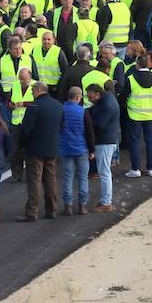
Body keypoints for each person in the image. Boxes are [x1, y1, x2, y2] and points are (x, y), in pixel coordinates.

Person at [16, 81, 62, 222]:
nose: (31, 93)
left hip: (35, 149)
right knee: (50, 179)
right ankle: (52, 209)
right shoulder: (58, 106)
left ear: (37, 90)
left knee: (34, 181)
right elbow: (62, 126)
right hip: (52, 147)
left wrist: (22, 145)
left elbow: (26, 129)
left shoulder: (34, 107)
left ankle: (32, 211)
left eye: (32, 91)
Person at [58, 85, 94, 215]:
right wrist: (91, 150)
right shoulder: (83, 112)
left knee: (68, 178)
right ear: (78, 97)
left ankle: (68, 206)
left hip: (66, 149)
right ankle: (82, 206)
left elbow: (58, 129)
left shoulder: (61, 110)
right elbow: (89, 133)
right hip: (81, 149)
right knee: (83, 178)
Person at [86, 83, 120, 212]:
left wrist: (87, 121)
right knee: (104, 172)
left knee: (104, 172)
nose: (89, 100)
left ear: (97, 94)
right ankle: (105, 200)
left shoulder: (106, 104)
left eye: (90, 97)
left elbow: (100, 124)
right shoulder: (106, 100)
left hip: (105, 142)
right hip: (108, 140)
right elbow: (93, 110)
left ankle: (106, 202)